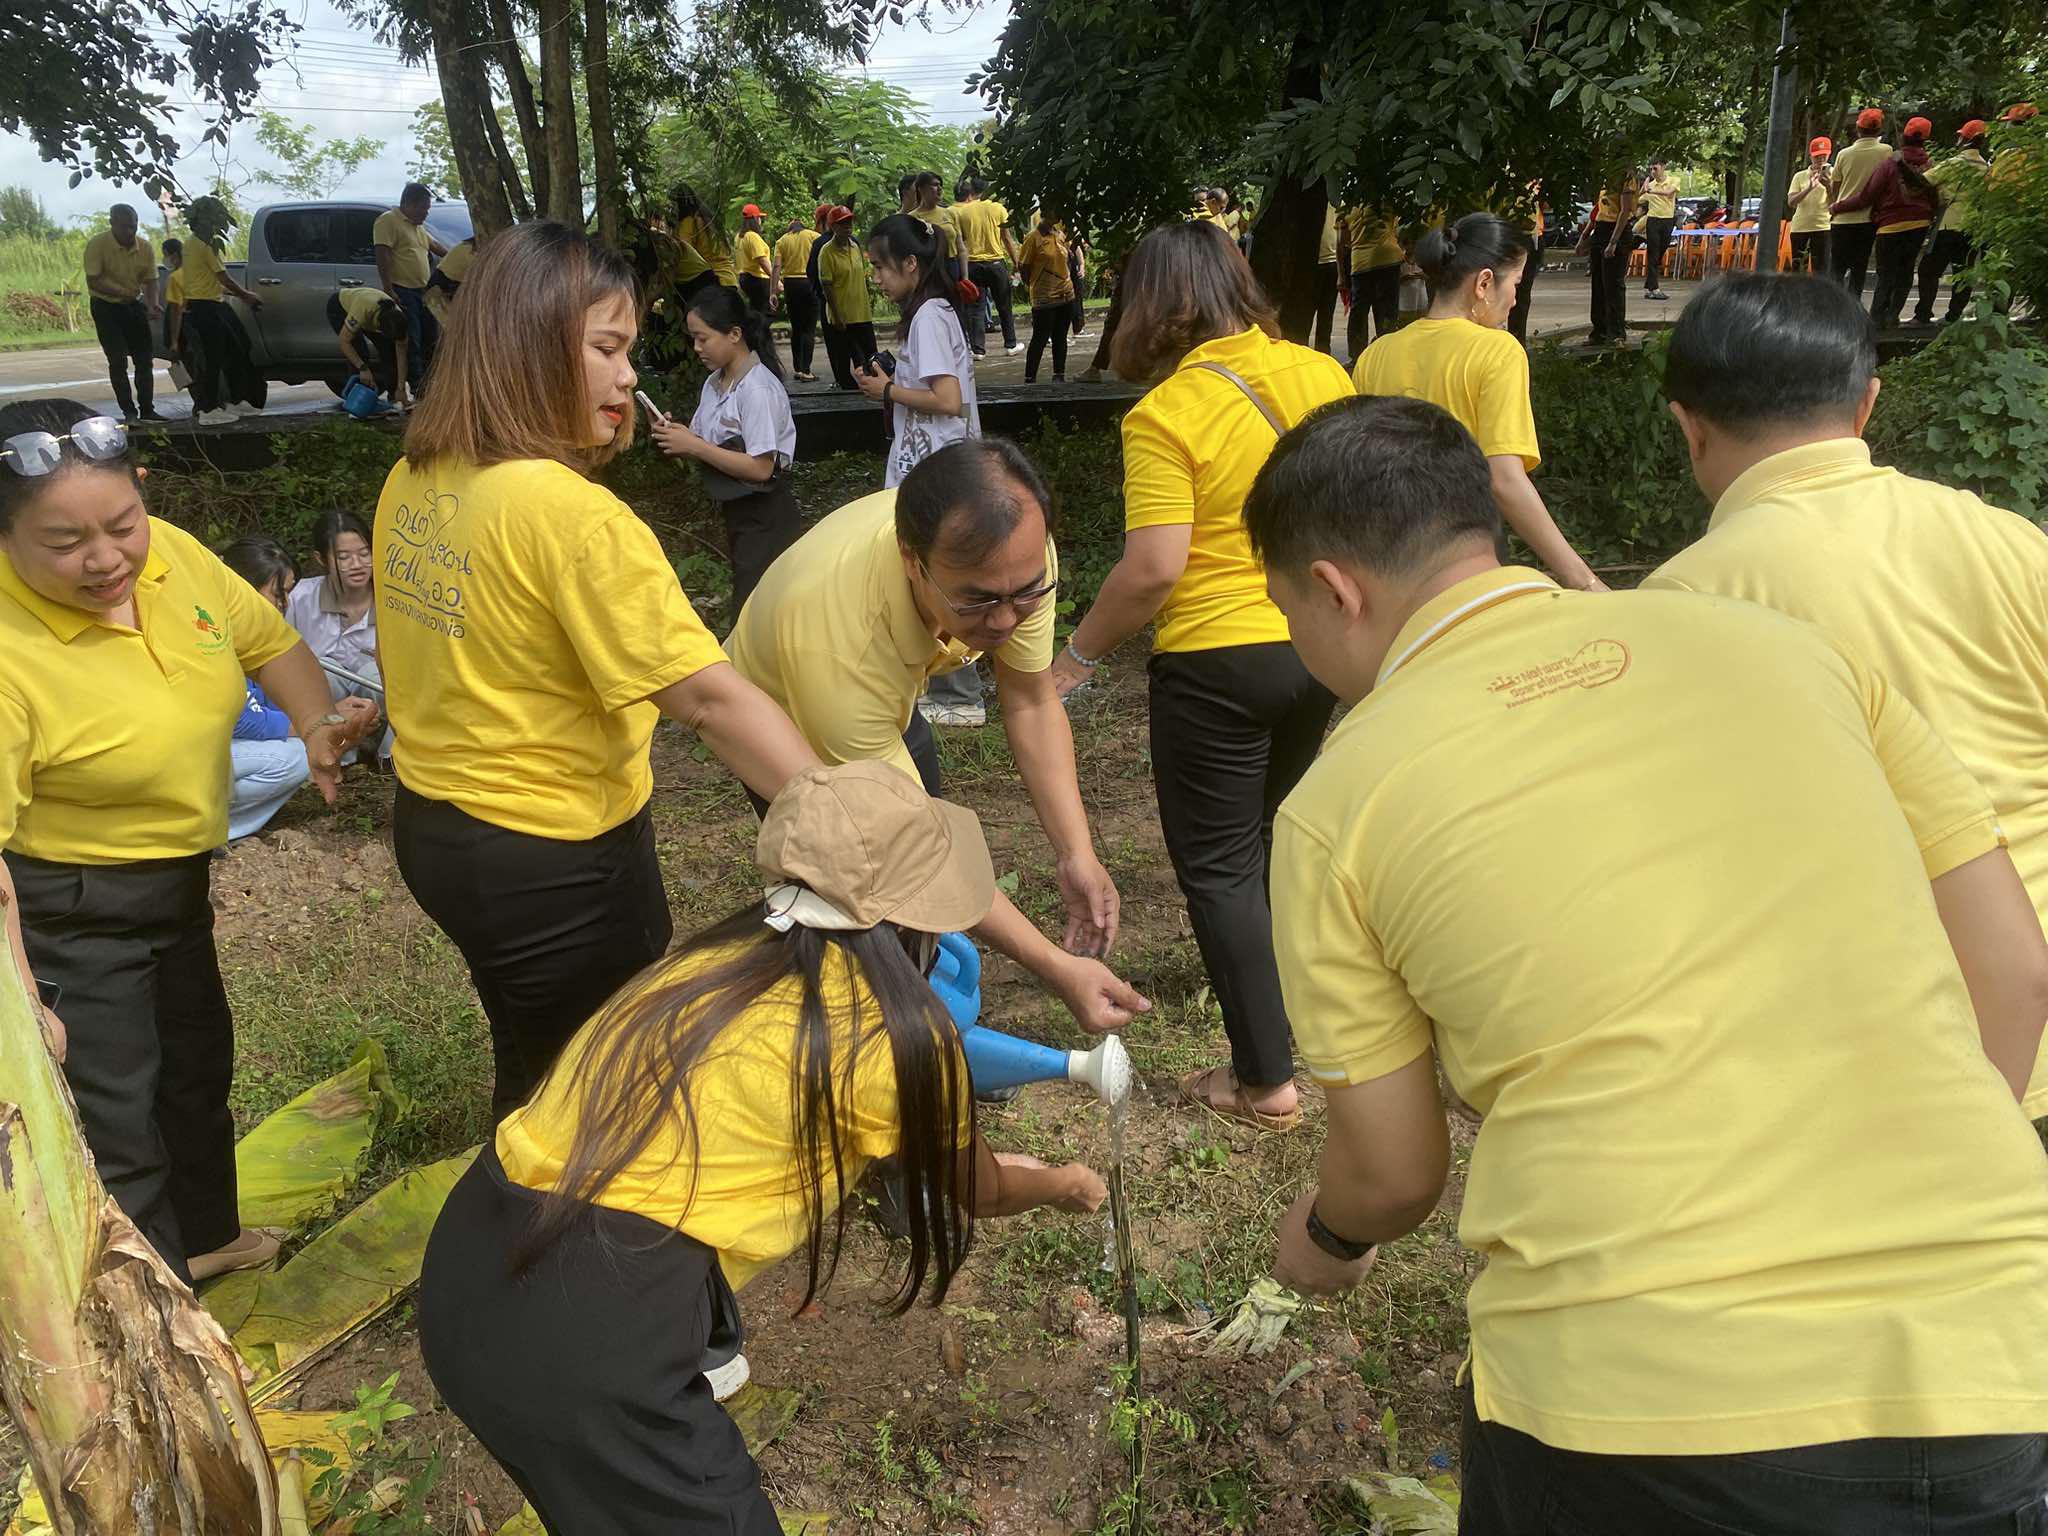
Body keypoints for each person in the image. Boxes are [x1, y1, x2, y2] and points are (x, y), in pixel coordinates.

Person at [1245, 392, 2048, 1534]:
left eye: (1288, 614)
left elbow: (1390, 1173)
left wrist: (1325, 1243)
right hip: (1998, 1352)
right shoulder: (1782, 649)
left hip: (1635, 1404)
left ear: (1332, 589)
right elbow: (2013, 974)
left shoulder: (1338, 804)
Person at [419, 761, 1108, 1534]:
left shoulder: (701, 969)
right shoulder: (894, 1046)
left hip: (471, 1255)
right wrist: (1063, 1183)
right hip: (584, 1344)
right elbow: (983, 1190)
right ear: (917, 920)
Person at [370, 221, 820, 1122]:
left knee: (537, 1058)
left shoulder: (416, 479)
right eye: (608, 349)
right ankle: (552, 1251)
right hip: (552, 857)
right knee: (597, 1100)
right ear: (530, 347)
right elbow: (709, 697)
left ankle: (518, 1226)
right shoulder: (571, 516)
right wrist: (846, 816)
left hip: (437, 831)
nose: (630, 378)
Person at [1645, 271, 2048, 1113]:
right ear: (1867, 404)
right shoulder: (2011, 542)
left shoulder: (1683, 605)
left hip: (1888, 1058)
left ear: (1688, 429)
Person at [0, 400, 363, 1283]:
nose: (106, 559)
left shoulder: (173, 555)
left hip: (177, 885)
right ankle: (160, 1316)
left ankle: (207, 1239)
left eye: (122, 525)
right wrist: (22, 1002)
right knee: (118, 1119)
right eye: (64, 543)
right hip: (66, 911)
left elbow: (269, 641)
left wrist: (316, 722)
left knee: (195, 1074)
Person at [1045, 220, 1350, 1128]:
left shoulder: (1165, 414)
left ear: (1151, 304)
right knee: (1266, 844)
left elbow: (1153, 568)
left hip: (1216, 659)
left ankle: (1265, 1079)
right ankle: (1296, 1022)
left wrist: (1074, 657)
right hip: (1319, 645)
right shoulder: (1324, 375)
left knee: (1219, 865)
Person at [725, 441, 1146, 1037]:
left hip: (884, 693)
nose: (1004, 620)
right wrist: (1057, 966)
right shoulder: (838, 641)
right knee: (861, 892)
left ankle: (920, 1006)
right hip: (783, 709)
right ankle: (872, 1041)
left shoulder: (1014, 559)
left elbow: (1028, 699)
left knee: (922, 862)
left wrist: (1076, 851)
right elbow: (909, 847)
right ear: (910, 559)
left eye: (1024, 593)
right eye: (977, 600)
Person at [1354, 213, 1605, 592]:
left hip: (1386, 562)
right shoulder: (1497, 351)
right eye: (1516, 284)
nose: (1516, 298)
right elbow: (1504, 479)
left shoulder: (1376, 354)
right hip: (1464, 562)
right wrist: (1581, 578)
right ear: (1484, 282)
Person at [859, 213, 986, 725]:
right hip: (934, 462)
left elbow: (947, 400)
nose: (876, 278)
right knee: (931, 571)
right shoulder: (932, 311)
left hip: (937, 467)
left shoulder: (930, 315)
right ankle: (943, 683)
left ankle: (959, 695)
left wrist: (885, 390)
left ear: (911, 264)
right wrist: (893, 378)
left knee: (938, 574)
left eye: (881, 267)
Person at [651, 284, 799, 620]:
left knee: (753, 612)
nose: (696, 348)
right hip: (738, 511)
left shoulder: (757, 389)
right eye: (693, 338)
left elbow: (762, 468)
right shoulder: (715, 383)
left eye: (703, 338)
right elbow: (703, 444)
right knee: (754, 607)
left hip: (766, 515)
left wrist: (696, 445)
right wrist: (676, 435)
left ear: (734, 334)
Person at [219, 534, 378, 840]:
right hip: (189, 750)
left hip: (215, 749)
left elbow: (268, 707)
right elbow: (243, 720)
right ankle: (210, 830)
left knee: (300, 746)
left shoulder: (253, 635)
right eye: (278, 594)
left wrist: (330, 721)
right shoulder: (212, 629)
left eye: (288, 594)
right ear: (242, 587)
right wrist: (320, 722)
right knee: (292, 757)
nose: (284, 604)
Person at [1831, 115, 1939, 328]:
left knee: (1885, 273)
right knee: (1906, 271)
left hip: (1888, 225)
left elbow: (1867, 196)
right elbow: (1934, 195)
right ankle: (1892, 315)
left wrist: (1837, 206)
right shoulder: (1929, 164)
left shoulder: (1890, 162)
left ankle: (1876, 317)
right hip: (1918, 224)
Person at [178, 195, 266, 425]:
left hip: (213, 303)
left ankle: (237, 401)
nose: (217, 225)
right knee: (212, 359)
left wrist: (232, 294)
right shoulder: (202, 245)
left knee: (238, 349)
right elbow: (222, 277)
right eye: (214, 220)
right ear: (203, 221)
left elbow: (206, 279)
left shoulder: (196, 244)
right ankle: (208, 409)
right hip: (204, 307)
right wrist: (246, 296)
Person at [286, 509, 381, 715]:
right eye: (344, 557)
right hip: (322, 710)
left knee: (375, 676)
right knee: (323, 671)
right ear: (321, 559)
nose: (357, 565)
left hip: (381, 710)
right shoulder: (299, 598)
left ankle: (384, 748)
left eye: (365, 554)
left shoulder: (392, 602)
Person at [82, 204, 162, 423]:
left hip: (133, 305)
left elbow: (151, 279)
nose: (130, 232)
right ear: (112, 224)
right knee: (117, 360)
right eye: (124, 227)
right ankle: (129, 412)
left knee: (144, 359)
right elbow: (94, 279)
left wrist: (153, 303)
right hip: (106, 306)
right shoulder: (97, 245)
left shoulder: (145, 247)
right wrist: (123, 292)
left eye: (133, 227)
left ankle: (147, 410)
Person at [373, 182, 448, 391]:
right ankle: (416, 386)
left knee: (429, 338)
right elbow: (382, 253)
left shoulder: (417, 227)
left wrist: (459, 257)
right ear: (409, 204)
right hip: (403, 290)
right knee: (412, 339)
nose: (425, 213)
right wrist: (388, 287)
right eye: (423, 208)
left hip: (423, 291)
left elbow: (435, 246)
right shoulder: (388, 221)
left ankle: (429, 382)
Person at [1916, 120, 1992, 324]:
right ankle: (1953, 316)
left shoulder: (1955, 163)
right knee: (1964, 274)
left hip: (1948, 224)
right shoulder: (1986, 168)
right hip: (1973, 227)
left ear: (1964, 139)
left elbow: (1924, 181)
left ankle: (1923, 314)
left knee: (1928, 270)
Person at [954, 179, 1022, 356]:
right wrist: (1016, 263)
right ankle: (1010, 344)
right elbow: (1006, 238)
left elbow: (961, 241)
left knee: (975, 309)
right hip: (996, 263)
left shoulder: (964, 212)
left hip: (973, 265)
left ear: (972, 191)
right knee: (1004, 306)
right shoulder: (998, 208)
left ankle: (978, 350)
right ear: (988, 190)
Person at [1829, 108, 1891, 298]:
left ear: (1857, 127)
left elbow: (1835, 187)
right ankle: (1853, 304)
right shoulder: (1886, 151)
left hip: (1841, 219)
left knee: (1837, 268)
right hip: (1868, 219)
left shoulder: (1844, 154)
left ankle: (1832, 305)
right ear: (1879, 129)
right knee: (1859, 267)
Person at [815, 208, 876, 392]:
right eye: (842, 223)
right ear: (833, 226)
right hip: (841, 315)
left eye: (849, 222)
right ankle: (847, 393)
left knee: (871, 355)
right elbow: (827, 286)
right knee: (842, 357)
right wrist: (836, 314)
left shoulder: (855, 246)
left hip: (861, 312)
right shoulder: (826, 252)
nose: (847, 227)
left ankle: (872, 386)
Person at [1578, 169, 1639, 344]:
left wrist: (1613, 242)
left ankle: (1617, 333)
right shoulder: (1606, 176)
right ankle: (1599, 331)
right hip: (1601, 229)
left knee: (1613, 285)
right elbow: (1599, 209)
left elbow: (1625, 211)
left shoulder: (1627, 178)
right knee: (1598, 284)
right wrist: (1585, 238)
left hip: (1617, 231)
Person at [328, 286, 411, 412]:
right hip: (340, 306)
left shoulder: (399, 321)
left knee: (389, 352)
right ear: (379, 327)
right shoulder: (363, 310)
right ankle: (357, 405)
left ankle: (394, 399)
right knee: (360, 352)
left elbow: (401, 357)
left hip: (373, 313)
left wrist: (401, 388)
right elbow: (344, 342)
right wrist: (362, 368)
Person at [1017, 213, 1076, 384]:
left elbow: (1068, 259)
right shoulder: (1033, 238)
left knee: (1060, 337)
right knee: (1040, 338)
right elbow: (1024, 267)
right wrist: (1035, 285)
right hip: (1044, 297)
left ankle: (1059, 374)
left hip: (1066, 295)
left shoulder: (1060, 233)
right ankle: (1030, 377)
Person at [1340, 207, 1404, 360]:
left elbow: (1343, 242)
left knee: (1359, 313)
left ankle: (1357, 357)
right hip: (1388, 259)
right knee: (1387, 311)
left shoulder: (1348, 207)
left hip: (1361, 264)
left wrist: (1342, 275)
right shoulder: (1387, 200)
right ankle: (1386, 355)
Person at [771, 215, 822, 382]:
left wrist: (773, 291)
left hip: (791, 284)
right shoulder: (814, 236)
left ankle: (798, 368)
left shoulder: (782, 241)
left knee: (797, 327)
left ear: (790, 228)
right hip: (809, 282)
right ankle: (806, 370)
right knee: (809, 328)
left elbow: (777, 266)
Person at [671, 183, 739, 300]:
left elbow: (683, 252)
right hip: (729, 280)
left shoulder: (688, 222)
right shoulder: (709, 220)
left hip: (711, 283)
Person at [1786, 137, 1834, 273]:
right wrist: (1809, 188)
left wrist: (1828, 186)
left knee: (1822, 270)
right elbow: (1791, 202)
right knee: (1799, 268)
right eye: (1817, 157)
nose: (1820, 160)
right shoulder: (1799, 176)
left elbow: (1836, 203)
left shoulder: (1835, 174)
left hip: (1823, 227)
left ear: (1829, 154)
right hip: (1800, 228)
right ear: (1811, 156)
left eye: (1824, 156)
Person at [1638, 161, 1680, 299]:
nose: (1653, 172)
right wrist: (1643, 188)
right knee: (1653, 253)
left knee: (1661, 252)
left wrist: (1650, 190)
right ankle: (1654, 288)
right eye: (1651, 169)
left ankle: (1649, 286)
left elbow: (1668, 193)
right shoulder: (1650, 185)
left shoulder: (1673, 180)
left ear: (1663, 167)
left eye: (1655, 168)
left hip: (1668, 220)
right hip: (1653, 220)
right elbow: (1639, 199)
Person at [423, 235, 478, 329]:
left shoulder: (469, 246)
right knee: (451, 326)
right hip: (442, 286)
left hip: (448, 285)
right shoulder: (472, 250)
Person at [735, 204, 774, 321]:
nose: (761, 220)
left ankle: (753, 336)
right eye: (760, 217)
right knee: (766, 312)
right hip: (758, 279)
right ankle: (759, 337)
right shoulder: (753, 236)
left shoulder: (739, 236)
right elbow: (761, 260)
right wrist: (775, 279)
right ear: (755, 219)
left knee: (755, 311)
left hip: (744, 277)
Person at [1311, 204, 1342, 353]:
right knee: (1306, 311)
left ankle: (1323, 352)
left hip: (1331, 263)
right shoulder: (1310, 197)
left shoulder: (1338, 203)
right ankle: (1302, 350)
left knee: (1327, 312)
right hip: (1311, 264)